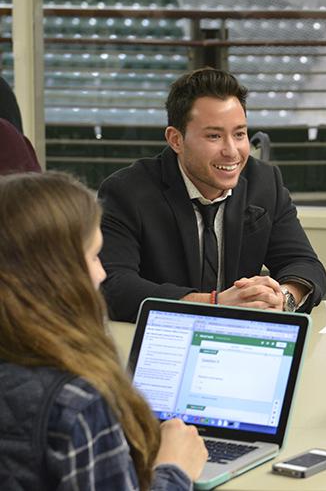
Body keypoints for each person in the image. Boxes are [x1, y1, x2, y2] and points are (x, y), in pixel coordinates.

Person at [0, 172, 207, 490]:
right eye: (94, 256)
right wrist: (175, 469)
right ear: (54, 274)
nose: (101, 273)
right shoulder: (78, 403)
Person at [98, 68, 326, 322]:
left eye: (239, 134)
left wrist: (282, 299)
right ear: (176, 140)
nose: (232, 151)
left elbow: (304, 264)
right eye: (214, 136)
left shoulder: (264, 183)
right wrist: (214, 303)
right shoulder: (126, 191)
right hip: (161, 342)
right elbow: (114, 286)